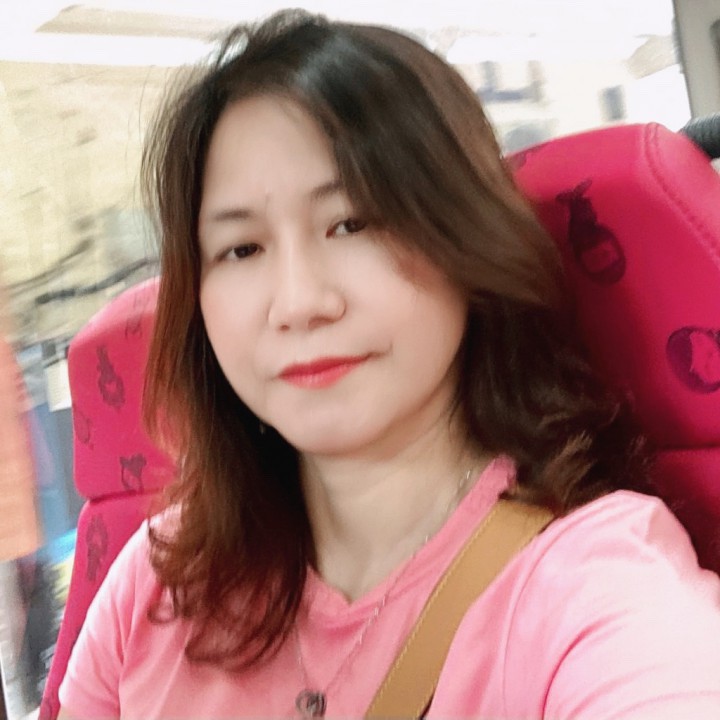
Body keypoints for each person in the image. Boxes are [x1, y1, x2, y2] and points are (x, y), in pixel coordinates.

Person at [58, 9, 720, 719]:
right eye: (241, 249)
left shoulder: (591, 587)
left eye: (352, 223)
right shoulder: (157, 580)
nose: (299, 303)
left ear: (464, 239)